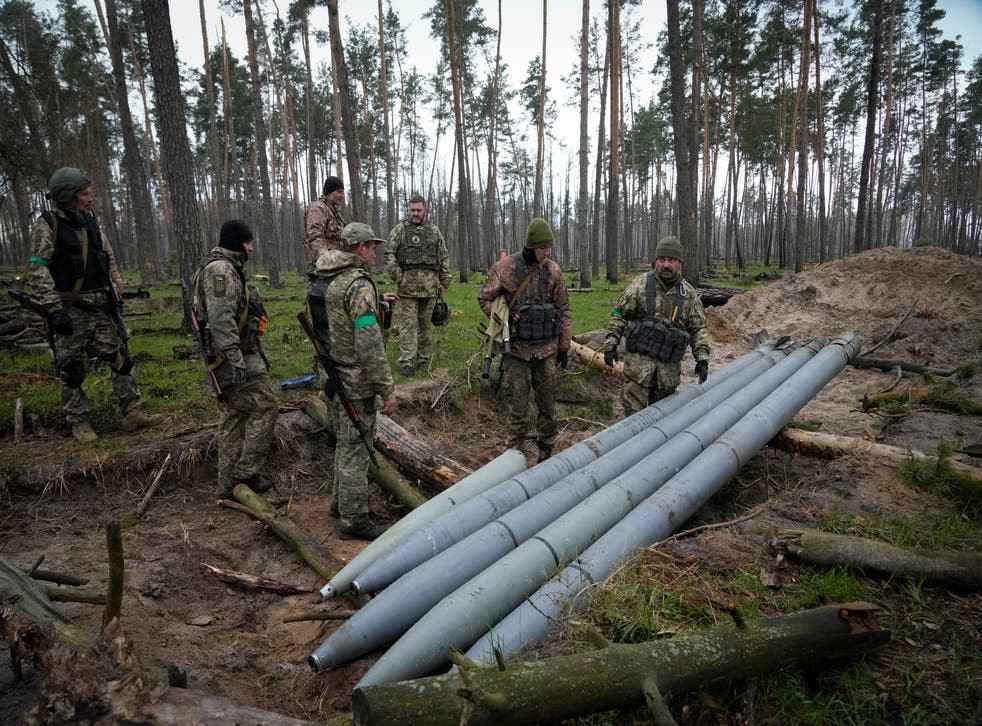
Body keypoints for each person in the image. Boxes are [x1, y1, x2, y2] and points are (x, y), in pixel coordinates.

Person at [27, 167, 163, 443]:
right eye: (85, 194)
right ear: (68, 196)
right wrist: (54, 309)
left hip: (100, 308)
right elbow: (37, 268)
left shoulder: (89, 222)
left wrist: (115, 293)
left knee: (121, 360)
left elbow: (105, 260)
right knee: (72, 370)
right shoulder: (48, 225)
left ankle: (131, 412)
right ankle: (79, 423)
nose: (91, 199)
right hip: (70, 311)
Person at [308, 222, 397, 540]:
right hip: (355, 380)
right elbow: (369, 340)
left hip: (331, 375)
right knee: (356, 449)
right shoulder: (358, 285)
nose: (374, 252)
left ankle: (339, 503)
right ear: (360, 247)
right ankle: (354, 519)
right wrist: (385, 387)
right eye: (372, 246)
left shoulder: (324, 278)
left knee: (344, 444)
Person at [193, 219, 279, 497]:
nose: (251, 248)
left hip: (232, 354)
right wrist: (233, 358)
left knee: (234, 415)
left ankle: (227, 483)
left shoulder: (225, 267)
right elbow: (220, 318)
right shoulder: (221, 270)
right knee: (266, 406)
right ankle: (244, 474)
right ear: (237, 243)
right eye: (248, 242)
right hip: (233, 356)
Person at [479, 218, 571, 463]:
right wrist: (504, 318)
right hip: (517, 351)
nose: (546, 251)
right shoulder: (505, 268)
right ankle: (514, 457)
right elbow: (485, 298)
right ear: (530, 245)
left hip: (547, 350)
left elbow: (563, 309)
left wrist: (564, 346)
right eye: (541, 247)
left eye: (548, 246)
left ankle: (546, 453)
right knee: (517, 408)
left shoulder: (554, 271)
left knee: (548, 407)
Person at [602, 235, 710, 415]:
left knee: (662, 419)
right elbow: (619, 315)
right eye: (662, 259)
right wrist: (611, 344)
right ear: (655, 261)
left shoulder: (688, 294)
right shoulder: (640, 285)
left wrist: (702, 359)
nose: (666, 265)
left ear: (679, 263)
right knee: (632, 420)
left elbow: (698, 328)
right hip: (638, 373)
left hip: (667, 377)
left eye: (671, 260)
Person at [385, 194, 452, 377]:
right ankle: (407, 361)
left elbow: (444, 257)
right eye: (412, 210)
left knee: (425, 325)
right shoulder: (399, 231)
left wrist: (445, 281)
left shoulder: (434, 232)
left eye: (418, 210)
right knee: (408, 325)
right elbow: (389, 254)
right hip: (407, 290)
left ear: (425, 211)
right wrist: (399, 277)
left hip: (430, 289)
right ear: (409, 210)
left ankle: (423, 359)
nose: (415, 213)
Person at [303, 176, 347, 269]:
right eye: (339, 192)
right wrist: (326, 260)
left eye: (343, 192)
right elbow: (315, 237)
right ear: (330, 192)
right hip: (324, 266)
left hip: (336, 263)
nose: (342, 195)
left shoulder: (334, 212)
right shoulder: (318, 208)